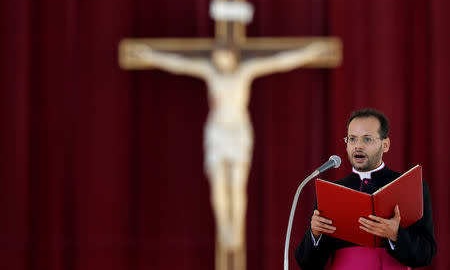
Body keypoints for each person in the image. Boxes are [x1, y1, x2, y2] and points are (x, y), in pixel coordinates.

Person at [121, 40, 335, 270]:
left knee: (237, 185)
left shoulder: (245, 72)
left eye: (223, 56)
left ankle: (237, 229)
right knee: (219, 185)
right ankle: (225, 227)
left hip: (238, 134)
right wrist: (150, 56)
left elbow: (279, 62)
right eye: (217, 57)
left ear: (233, 56)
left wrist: (308, 53)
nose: (219, 60)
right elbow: (178, 64)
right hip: (217, 134)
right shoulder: (209, 72)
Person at [295, 108, 436, 269]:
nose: (358, 146)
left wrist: (395, 235)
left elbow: (425, 254)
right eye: (352, 139)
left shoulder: (410, 186)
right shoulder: (331, 191)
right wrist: (315, 234)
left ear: (385, 145)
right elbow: (307, 263)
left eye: (367, 139)